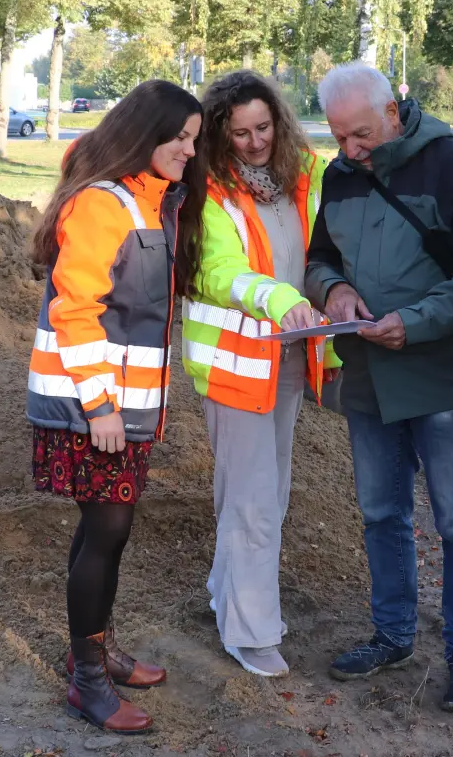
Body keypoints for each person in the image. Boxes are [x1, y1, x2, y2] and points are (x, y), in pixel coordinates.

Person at [304, 63, 453, 712]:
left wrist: (415, 323)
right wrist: (333, 292)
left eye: (360, 134)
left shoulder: (452, 165)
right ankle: (392, 634)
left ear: (394, 111)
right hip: (368, 378)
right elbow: (318, 261)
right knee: (379, 513)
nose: (348, 151)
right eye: (338, 137)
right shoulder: (339, 177)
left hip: (444, 376)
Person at [26, 79, 208, 735]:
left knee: (104, 533)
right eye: (180, 137)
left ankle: (97, 652)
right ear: (144, 132)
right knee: (107, 534)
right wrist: (101, 406)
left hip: (117, 407)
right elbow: (75, 312)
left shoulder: (148, 199)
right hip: (91, 409)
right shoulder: (107, 205)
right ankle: (89, 682)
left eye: (194, 138)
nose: (190, 150)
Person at [181, 70, 339, 678]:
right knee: (251, 500)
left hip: (293, 358)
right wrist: (277, 300)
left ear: (280, 121)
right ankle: (250, 630)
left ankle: (228, 597)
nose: (254, 142)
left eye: (264, 128)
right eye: (240, 133)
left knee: (266, 493)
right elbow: (217, 272)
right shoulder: (212, 192)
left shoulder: (303, 175)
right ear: (221, 134)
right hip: (237, 365)